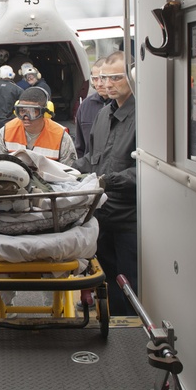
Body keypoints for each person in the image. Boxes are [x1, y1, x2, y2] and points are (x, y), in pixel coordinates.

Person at [73, 51, 137, 316]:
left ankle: (133, 336)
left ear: (133, 78)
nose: (108, 84)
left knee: (131, 285)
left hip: (130, 220)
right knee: (106, 280)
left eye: (116, 78)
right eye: (104, 78)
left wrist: (106, 181)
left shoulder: (145, 117)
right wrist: (60, 169)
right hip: (101, 216)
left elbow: (148, 170)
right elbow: (91, 158)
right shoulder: (102, 114)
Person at [0, 87, 76, 166]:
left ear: (45, 112)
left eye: (33, 111)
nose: (26, 117)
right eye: (22, 111)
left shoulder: (60, 136)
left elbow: (70, 172)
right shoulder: (7, 131)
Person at [74, 58, 111, 158]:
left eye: (103, 78)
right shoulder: (85, 106)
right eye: (95, 79)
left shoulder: (124, 105)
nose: (99, 84)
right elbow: (79, 146)